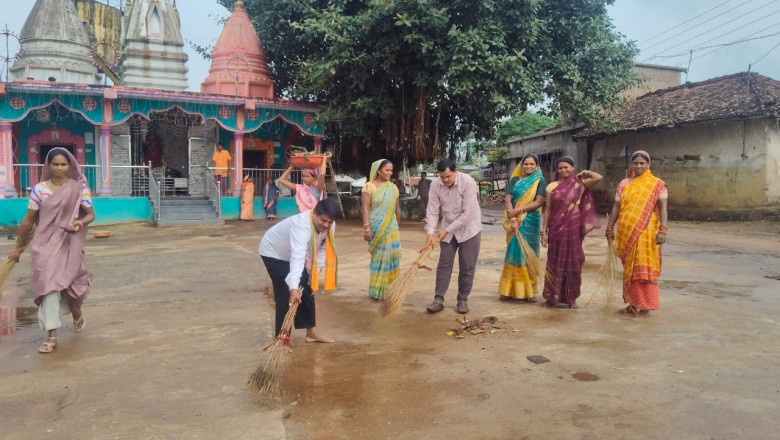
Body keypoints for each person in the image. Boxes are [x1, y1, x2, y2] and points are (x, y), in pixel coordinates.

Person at [8, 148, 95, 354]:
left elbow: (90, 214)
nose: (59, 168)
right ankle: (52, 335)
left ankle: (76, 311)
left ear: (70, 165)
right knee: (49, 287)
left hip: (68, 243)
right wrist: (19, 247)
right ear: (47, 165)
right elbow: (29, 220)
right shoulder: (39, 189)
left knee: (72, 286)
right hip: (44, 246)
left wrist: (79, 223)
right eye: (54, 164)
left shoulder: (79, 187)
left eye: (63, 164)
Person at [258, 198, 339, 343]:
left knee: (307, 288)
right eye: (323, 220)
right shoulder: (301, 225)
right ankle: (281, 339)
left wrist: (313, 273)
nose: (326, 225)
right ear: (314, 213)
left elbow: (322, 249)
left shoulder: (329, 226)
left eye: (330, 222)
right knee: (285, 293)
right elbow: (297, 257)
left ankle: (311, 333)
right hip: (273, 252)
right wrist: (294, 289)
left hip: (292, 254)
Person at [605, 150, 668, 318]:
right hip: (626, 231)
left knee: (643, 269)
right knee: (629, 269)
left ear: (649, 165)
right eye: (636, 163)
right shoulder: (624, 183)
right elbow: (616, 208)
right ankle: (633, 304)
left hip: (646, 232)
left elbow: (663, 209)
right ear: (631, 165)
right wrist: (610, 227)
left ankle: (645, 306)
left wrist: (663, 230)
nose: (639, 166)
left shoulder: (657, 184)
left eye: (642, 163)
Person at [540, 156, 603, 308]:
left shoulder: (580, 184)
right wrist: (544, 232)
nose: (563, 170)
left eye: (566, 167)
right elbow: (548, 210)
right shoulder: (551, 186)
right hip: (556, 227)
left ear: (573, 168)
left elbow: (598, 177)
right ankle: (552, 296)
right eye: (560, 168)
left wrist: (585, 173)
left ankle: (571, 298)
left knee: (573, 261)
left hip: (573, 226)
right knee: (554, 261)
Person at [424, 158, 482, 314]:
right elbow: (432, 210)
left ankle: (462, 300)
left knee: (467, 266)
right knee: (444, 264)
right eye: (442, 177)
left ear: (455, 171)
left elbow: (467, 214)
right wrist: (430, 232)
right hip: (448, 228)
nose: (445, 180)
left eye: (448, 176)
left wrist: (445, 231)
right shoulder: (435, 184)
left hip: (470, 229)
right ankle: (438, 299)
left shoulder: (468, 182)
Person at [498, 154, 546, 303]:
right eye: (526, 164)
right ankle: (508, 290)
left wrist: (518, 210)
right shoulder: (514, 180)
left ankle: (528, 290)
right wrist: (512, 218)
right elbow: (507, 199)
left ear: (537, 166)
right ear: (522, 165)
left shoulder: (540, 180)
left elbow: (539, 202)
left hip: (530, 220)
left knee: (529, 254)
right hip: (514, 221)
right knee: (514, 252)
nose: (528, 167)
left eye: (532, 164)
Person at [361, 159, 401, 300]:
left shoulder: (393, 188)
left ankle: (391, 290)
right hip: (376, 228)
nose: (390, 173)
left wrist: (396, 227)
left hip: (391, 229)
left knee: (392, 258)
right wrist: (366, 228)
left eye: (391, 170)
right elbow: (365, 208)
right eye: (387, 170)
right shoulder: (369, 187)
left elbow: (397, 209)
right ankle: (377, 291)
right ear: (378, 170)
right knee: (378, 259)